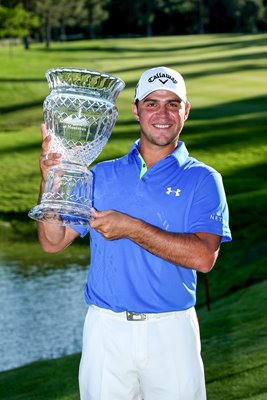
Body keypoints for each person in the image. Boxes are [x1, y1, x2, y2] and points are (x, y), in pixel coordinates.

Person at [37, 66, 232, 400]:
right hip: (105, 330)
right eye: (152, 103)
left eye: (173, 103)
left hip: (171, 331)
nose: (163, 113)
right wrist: (52, 179)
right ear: (136, 109)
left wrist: (131, 228)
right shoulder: (101, 174)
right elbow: (52, 242)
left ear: (185, 110)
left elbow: (203, 257)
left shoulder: (203, 179)